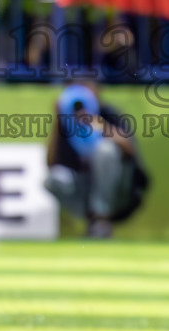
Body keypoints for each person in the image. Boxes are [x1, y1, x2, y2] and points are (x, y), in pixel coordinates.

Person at [47, 84, 148, 238]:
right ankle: (94, 220)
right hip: (85, 189)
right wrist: (58, 119)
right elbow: (50, 163)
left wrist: (100, 126)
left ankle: (101, 219)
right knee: (53, 178)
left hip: (120, 190)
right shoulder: (68, 120)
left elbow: (129, 147)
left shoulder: (107, 114)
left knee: (105, 150)